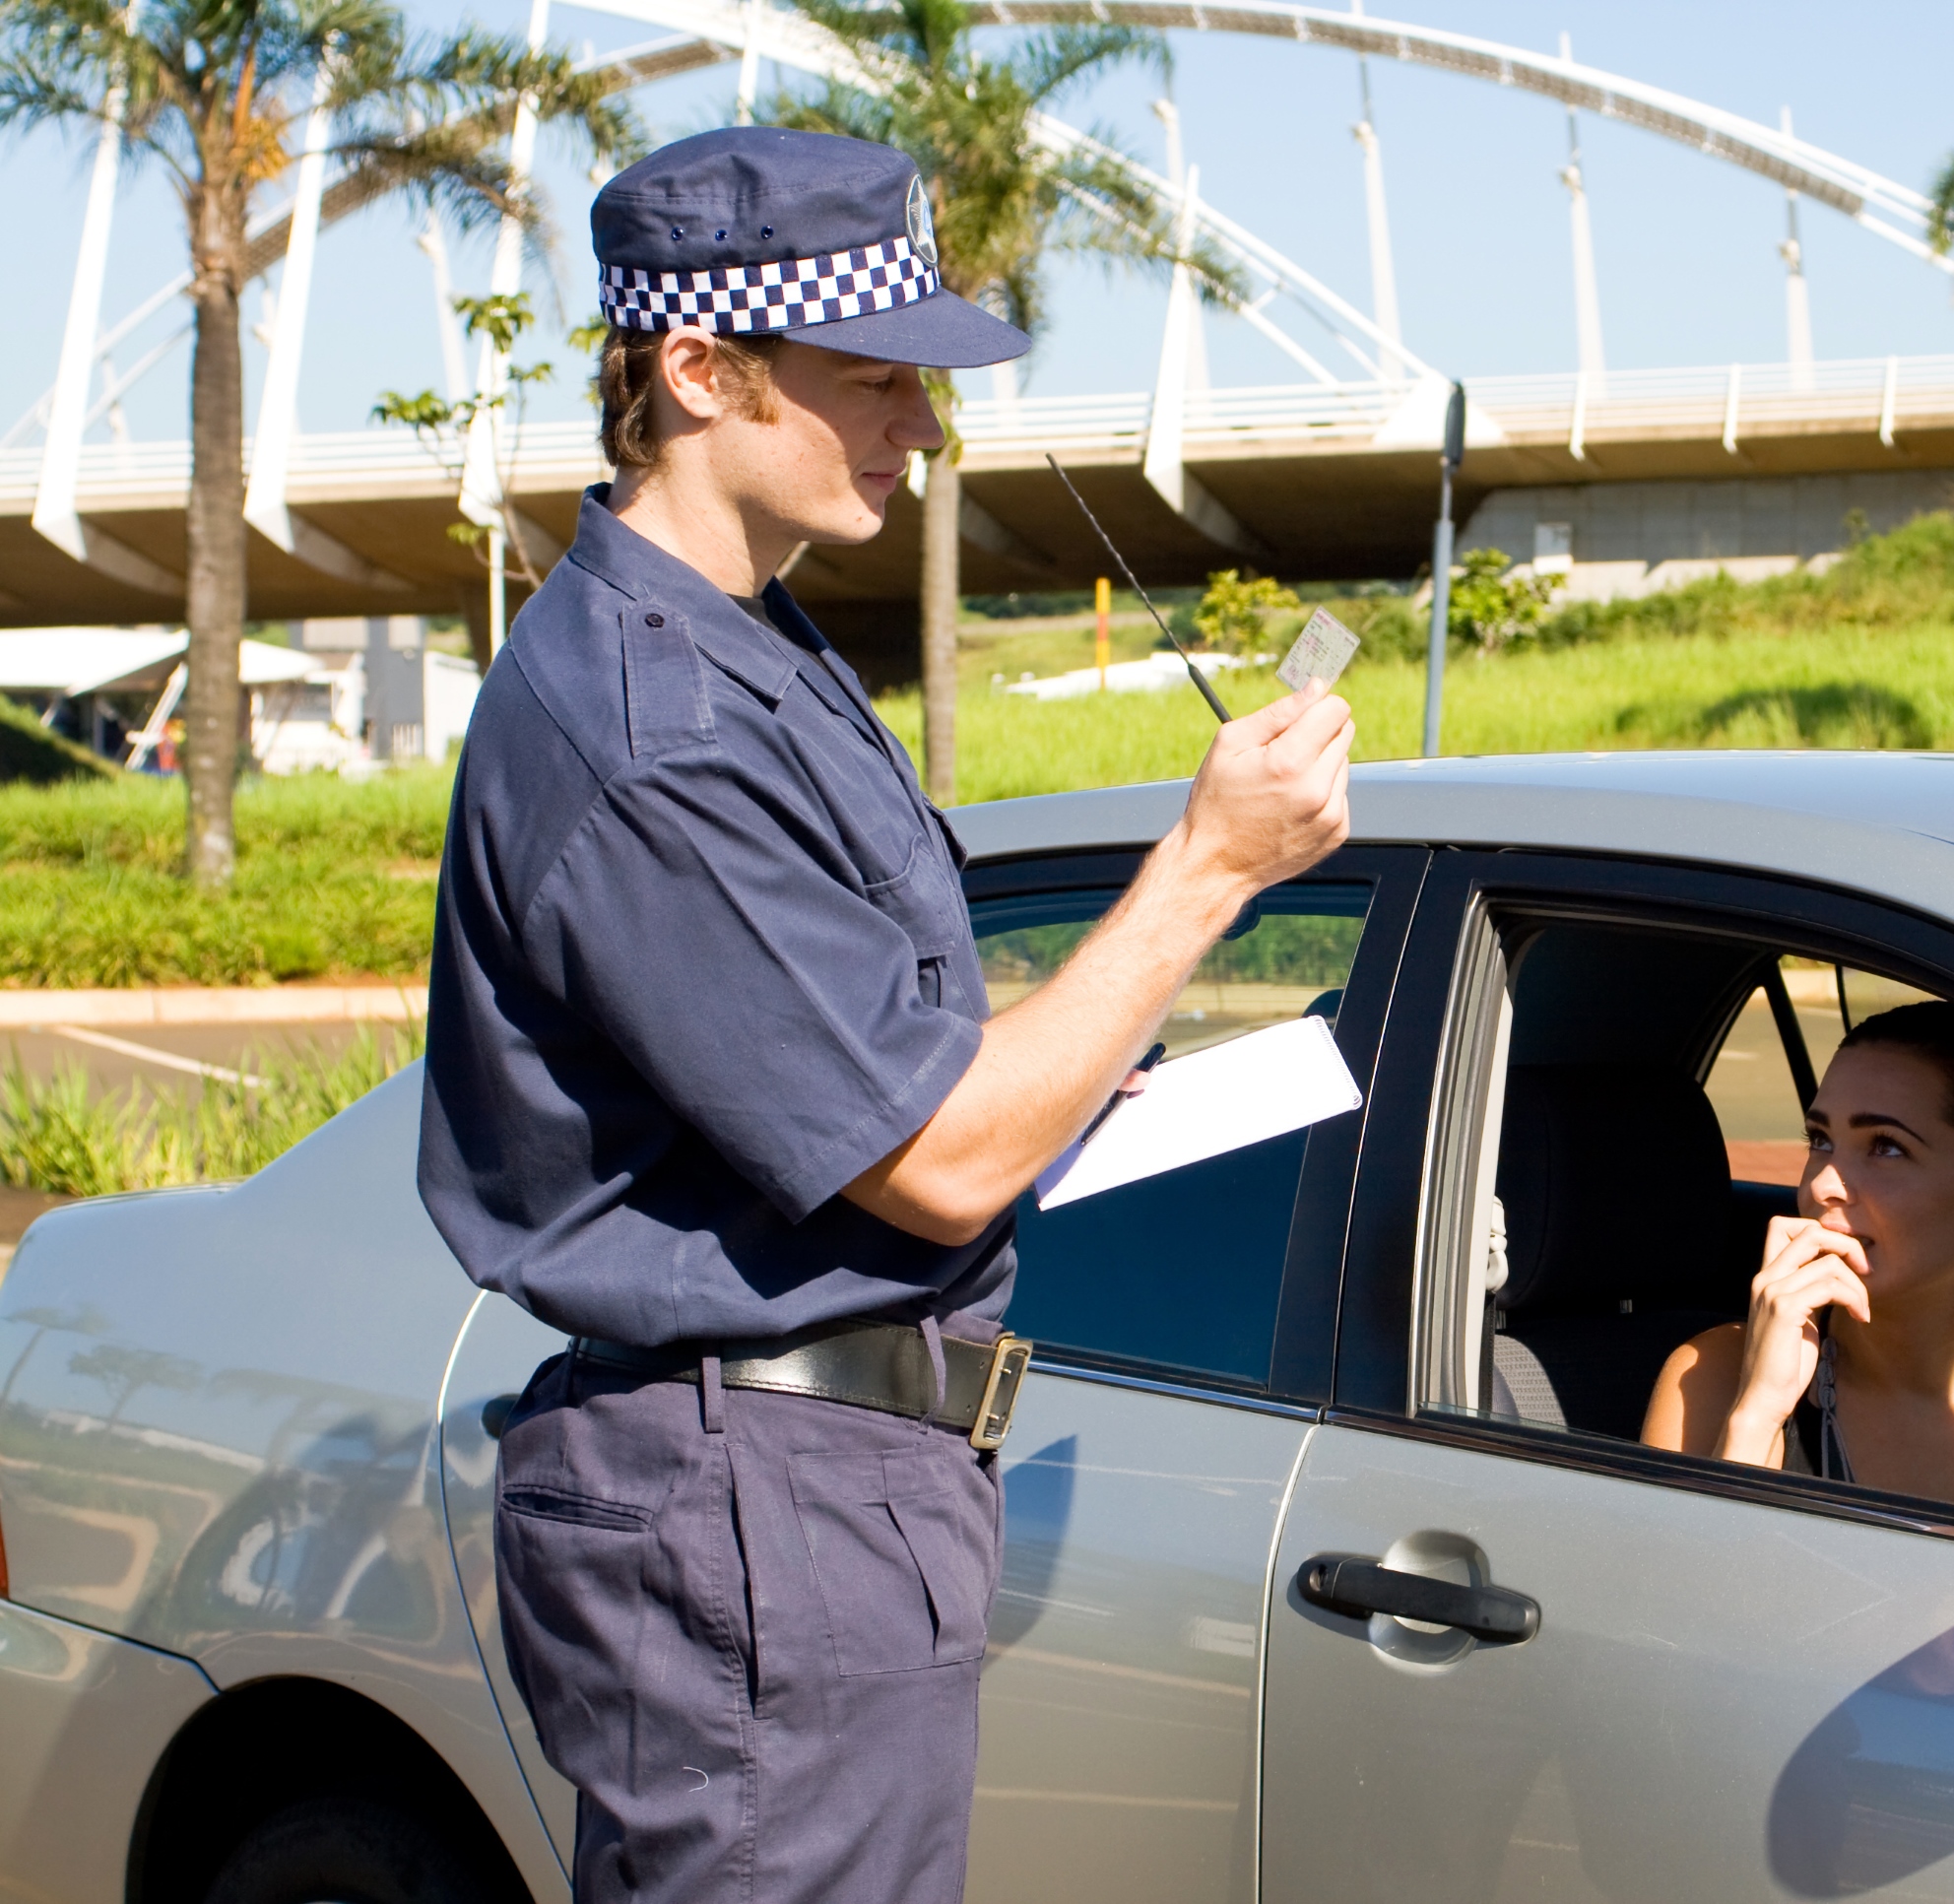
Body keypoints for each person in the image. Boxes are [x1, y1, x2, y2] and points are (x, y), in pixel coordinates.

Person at [417, 127, 1353, 1904]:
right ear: (701, 370)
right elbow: (933, 1160)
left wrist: (1069, 1065)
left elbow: (878, 1052)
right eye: (876, 380)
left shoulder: (747, 646)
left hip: (808, 1480)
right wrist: (1210, 868)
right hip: (757, 1497)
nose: (925, 431)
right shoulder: (650, 733)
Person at [1642, 1002, 1954, 1521]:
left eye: (1886, 1147)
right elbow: (1687, 1596)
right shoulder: (1712, 1376)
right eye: (1821, 1140)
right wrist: (1758, 1415)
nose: (1822, 1185)